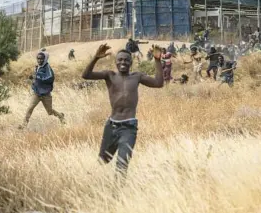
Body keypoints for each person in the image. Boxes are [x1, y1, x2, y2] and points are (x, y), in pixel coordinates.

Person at [82, 43, 164, 183]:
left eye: (126, 60)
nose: (123, 62)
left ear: (131, 62)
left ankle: (117, 193)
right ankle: (93, 183)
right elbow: (86, 75)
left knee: (122, 163)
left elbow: (158, 83)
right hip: (112, 125)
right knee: (103, 160)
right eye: (120, 60)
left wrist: (157, 61)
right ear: (116, 62)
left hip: (129, 127)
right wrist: (95, 58)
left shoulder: (136, 77)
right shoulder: (110, 75)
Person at [18, 50, 65, 130]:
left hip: (46, 94)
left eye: (41, 59)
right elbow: (36, 78)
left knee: (49, 112)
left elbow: (50, 78)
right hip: (37, 93)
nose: (39, 60)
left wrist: (37, 76)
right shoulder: (37, 67)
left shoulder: (48, 68)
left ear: (45, 59)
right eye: (38, 58)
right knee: (30, 108)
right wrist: (32, 79)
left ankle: (61, 116)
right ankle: (24, 125)